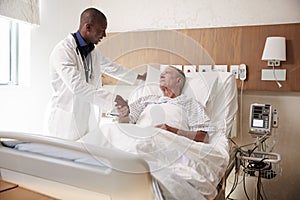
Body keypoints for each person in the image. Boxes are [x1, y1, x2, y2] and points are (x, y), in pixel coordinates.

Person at [45, 8, 145, 140]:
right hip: (64, 121)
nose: (104, 35)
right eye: (101, 30)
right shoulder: (63, 51)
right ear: (88, 27)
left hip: (85, 116)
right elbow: (77, 86)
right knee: (61, 157)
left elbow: (112, 67)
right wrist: (114, 98)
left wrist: (140, 77)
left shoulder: (93, 51)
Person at [116, 66, 210, 143]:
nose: (162, 74)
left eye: (167, 72)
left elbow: (204, 137)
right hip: (138, 139)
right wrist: (124, 115)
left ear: (179, 81)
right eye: (162, 73)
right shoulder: (147, 99)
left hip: (168, 143)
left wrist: (173, 131)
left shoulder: (190, 103)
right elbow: (125, 124)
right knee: (107, 130)